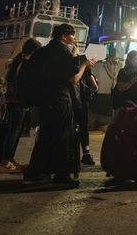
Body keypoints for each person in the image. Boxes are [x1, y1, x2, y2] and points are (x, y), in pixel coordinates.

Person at [24, 24, 95, 187]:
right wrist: (84, 64)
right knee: (62, 136)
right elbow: (73, 78)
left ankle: (34, 173)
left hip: (45, 99)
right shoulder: (63, 51)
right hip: (60, 99)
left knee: (45, 137)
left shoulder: (43, 51)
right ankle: (62, 175)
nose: (75, 38)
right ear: (64, 36)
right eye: (73, 35)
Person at [0, 38, 42, 173]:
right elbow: (24, 83)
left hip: (13, 100)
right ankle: (5, 163)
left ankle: (9, 160)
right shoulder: (26, 63)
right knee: (14, 131)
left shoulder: (18, 61)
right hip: (19, 101)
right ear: (34, 51)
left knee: (14, 130)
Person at [72, 52, 99, 167]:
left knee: (82, 126)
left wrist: (92, 85)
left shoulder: (81, 61)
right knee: (75, 127)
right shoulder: (71, 61)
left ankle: (85, 153)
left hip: (81, 99)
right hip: (72, 99)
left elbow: (93, 84)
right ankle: (75, 154)